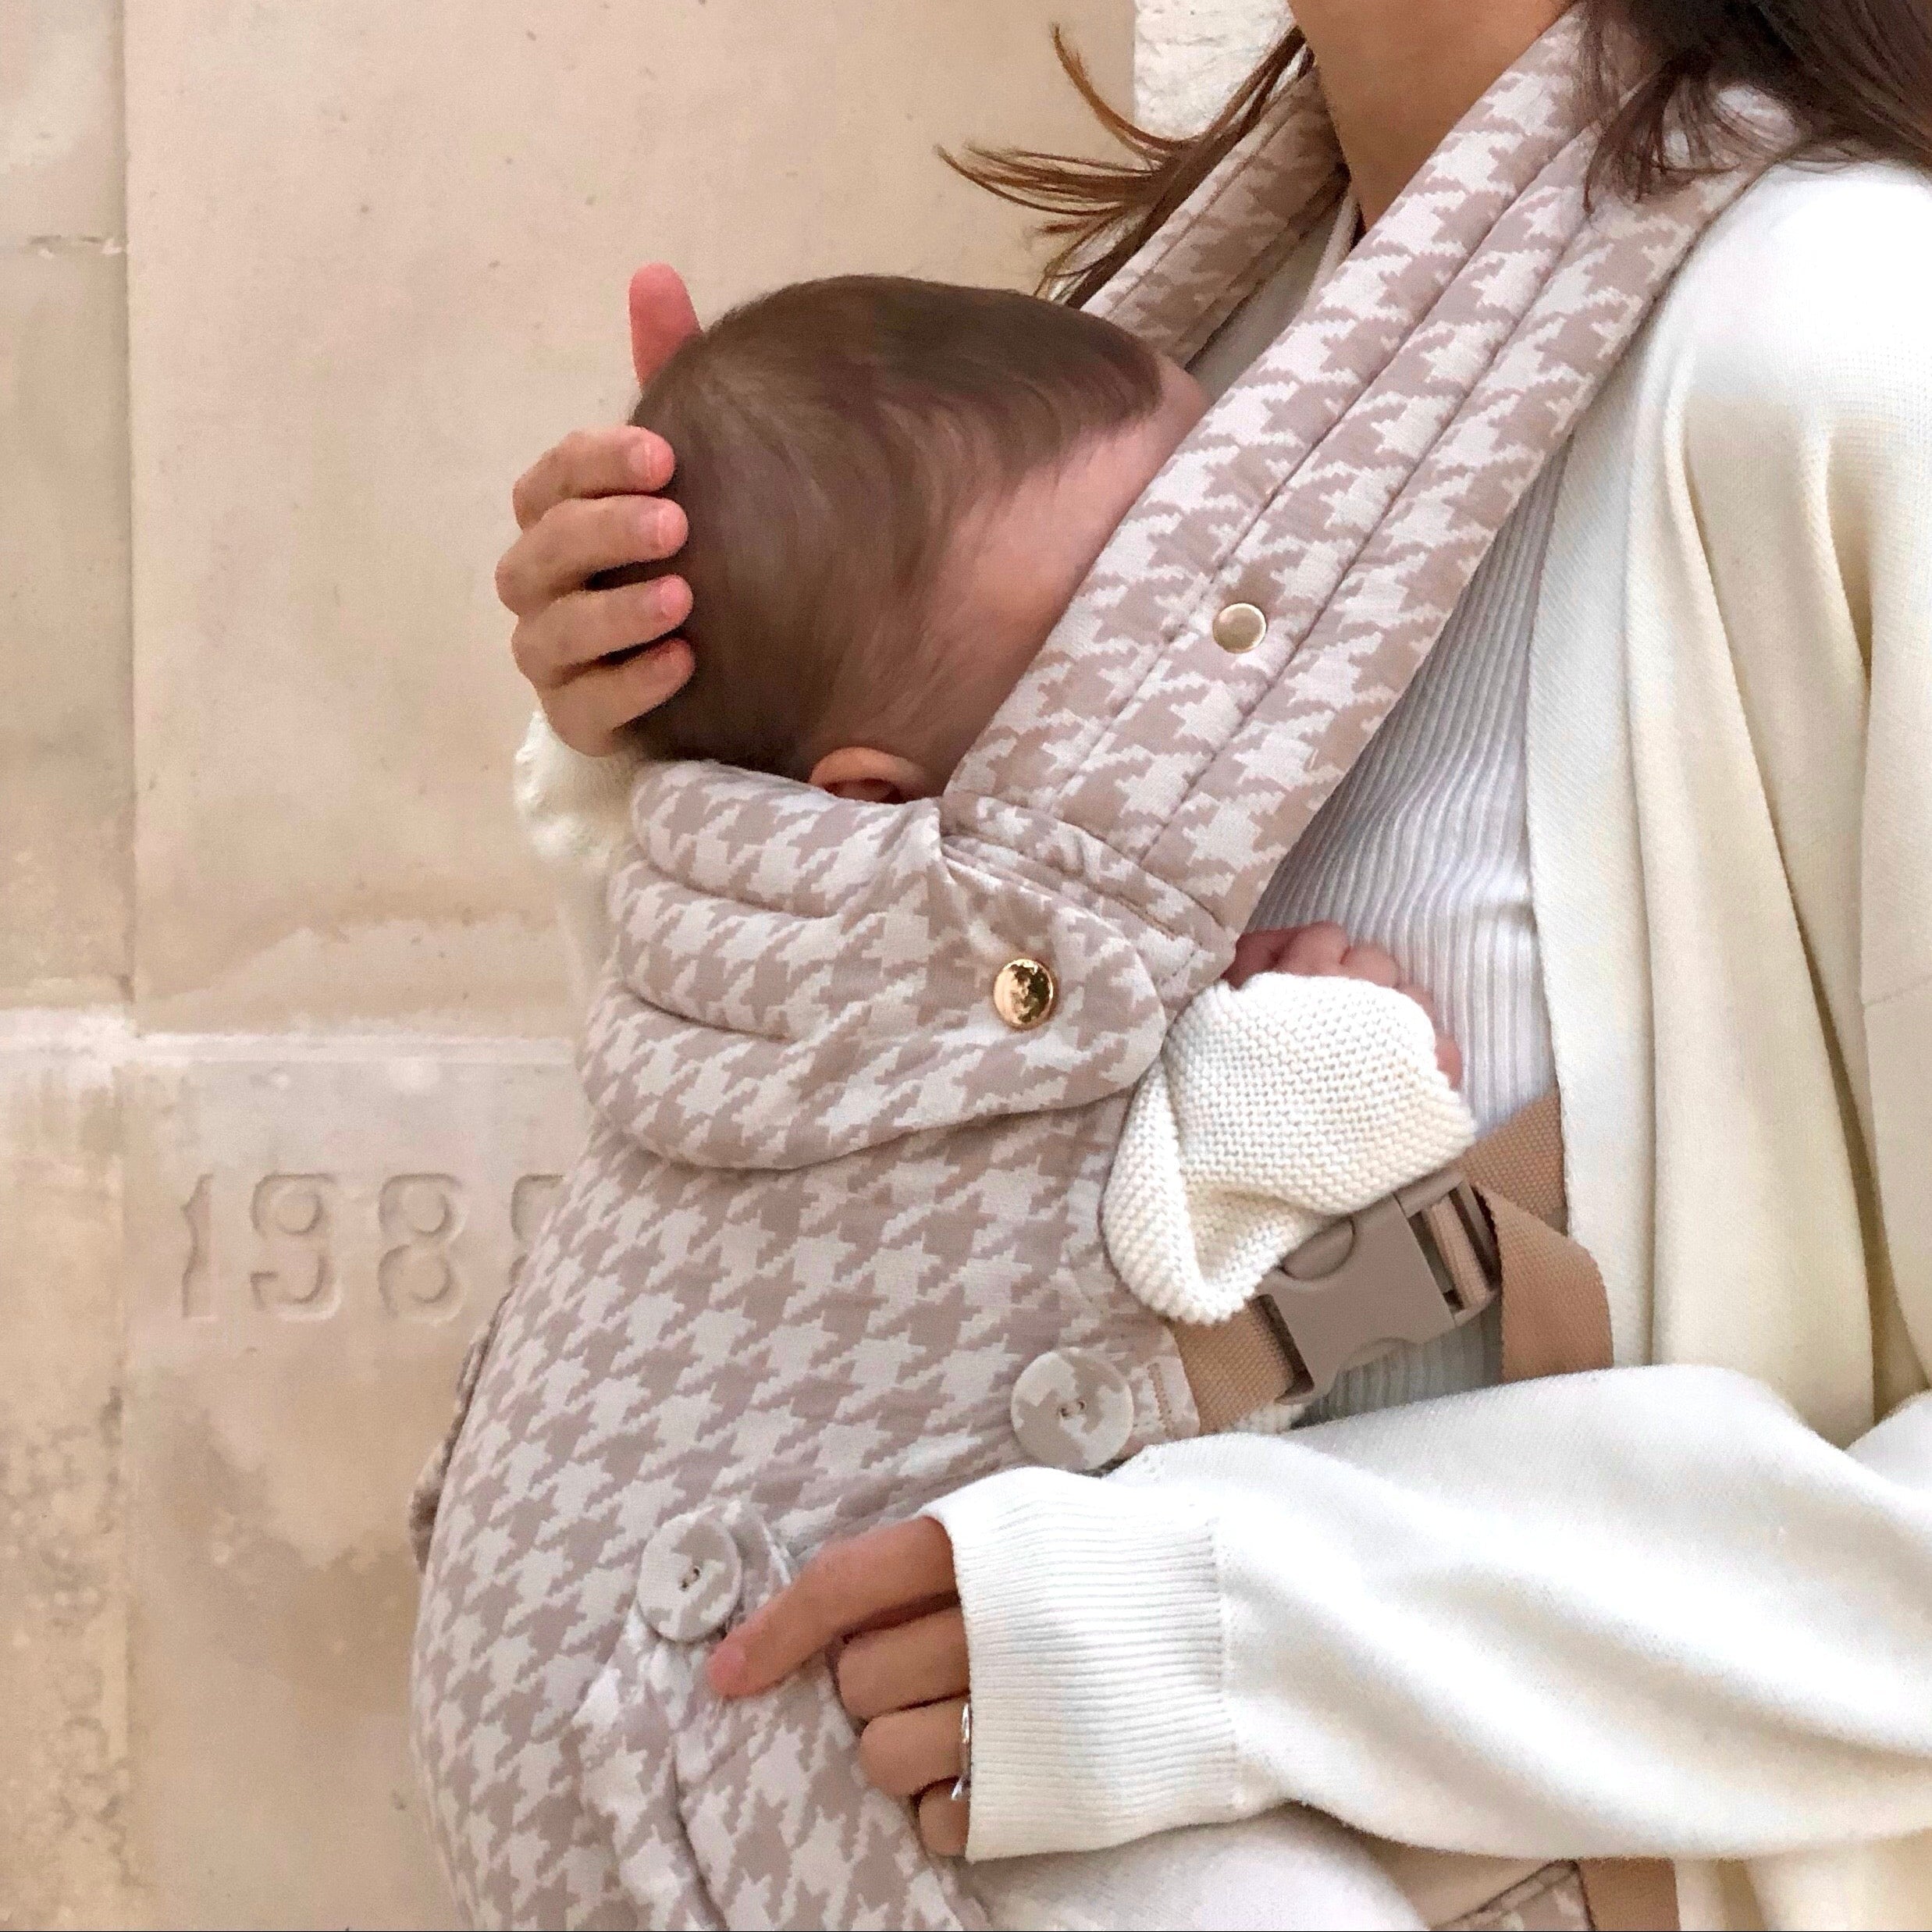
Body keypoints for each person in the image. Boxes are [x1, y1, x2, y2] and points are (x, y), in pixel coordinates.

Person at [482, 2, 1932, 1926]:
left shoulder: (1851, 351)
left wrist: (1216, 1626)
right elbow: (925, 1204)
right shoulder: (1176, 336)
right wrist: (706, 724)